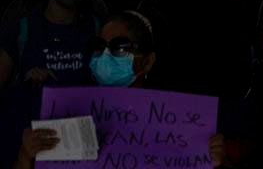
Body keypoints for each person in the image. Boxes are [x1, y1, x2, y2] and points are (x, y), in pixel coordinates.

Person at [13, 11, 228, 169]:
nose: (106, 56)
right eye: (100, 47)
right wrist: (26, 157)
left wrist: (213, 160)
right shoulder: (67, 111)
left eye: (120, 48)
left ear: (148, 62)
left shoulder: (181, 125)